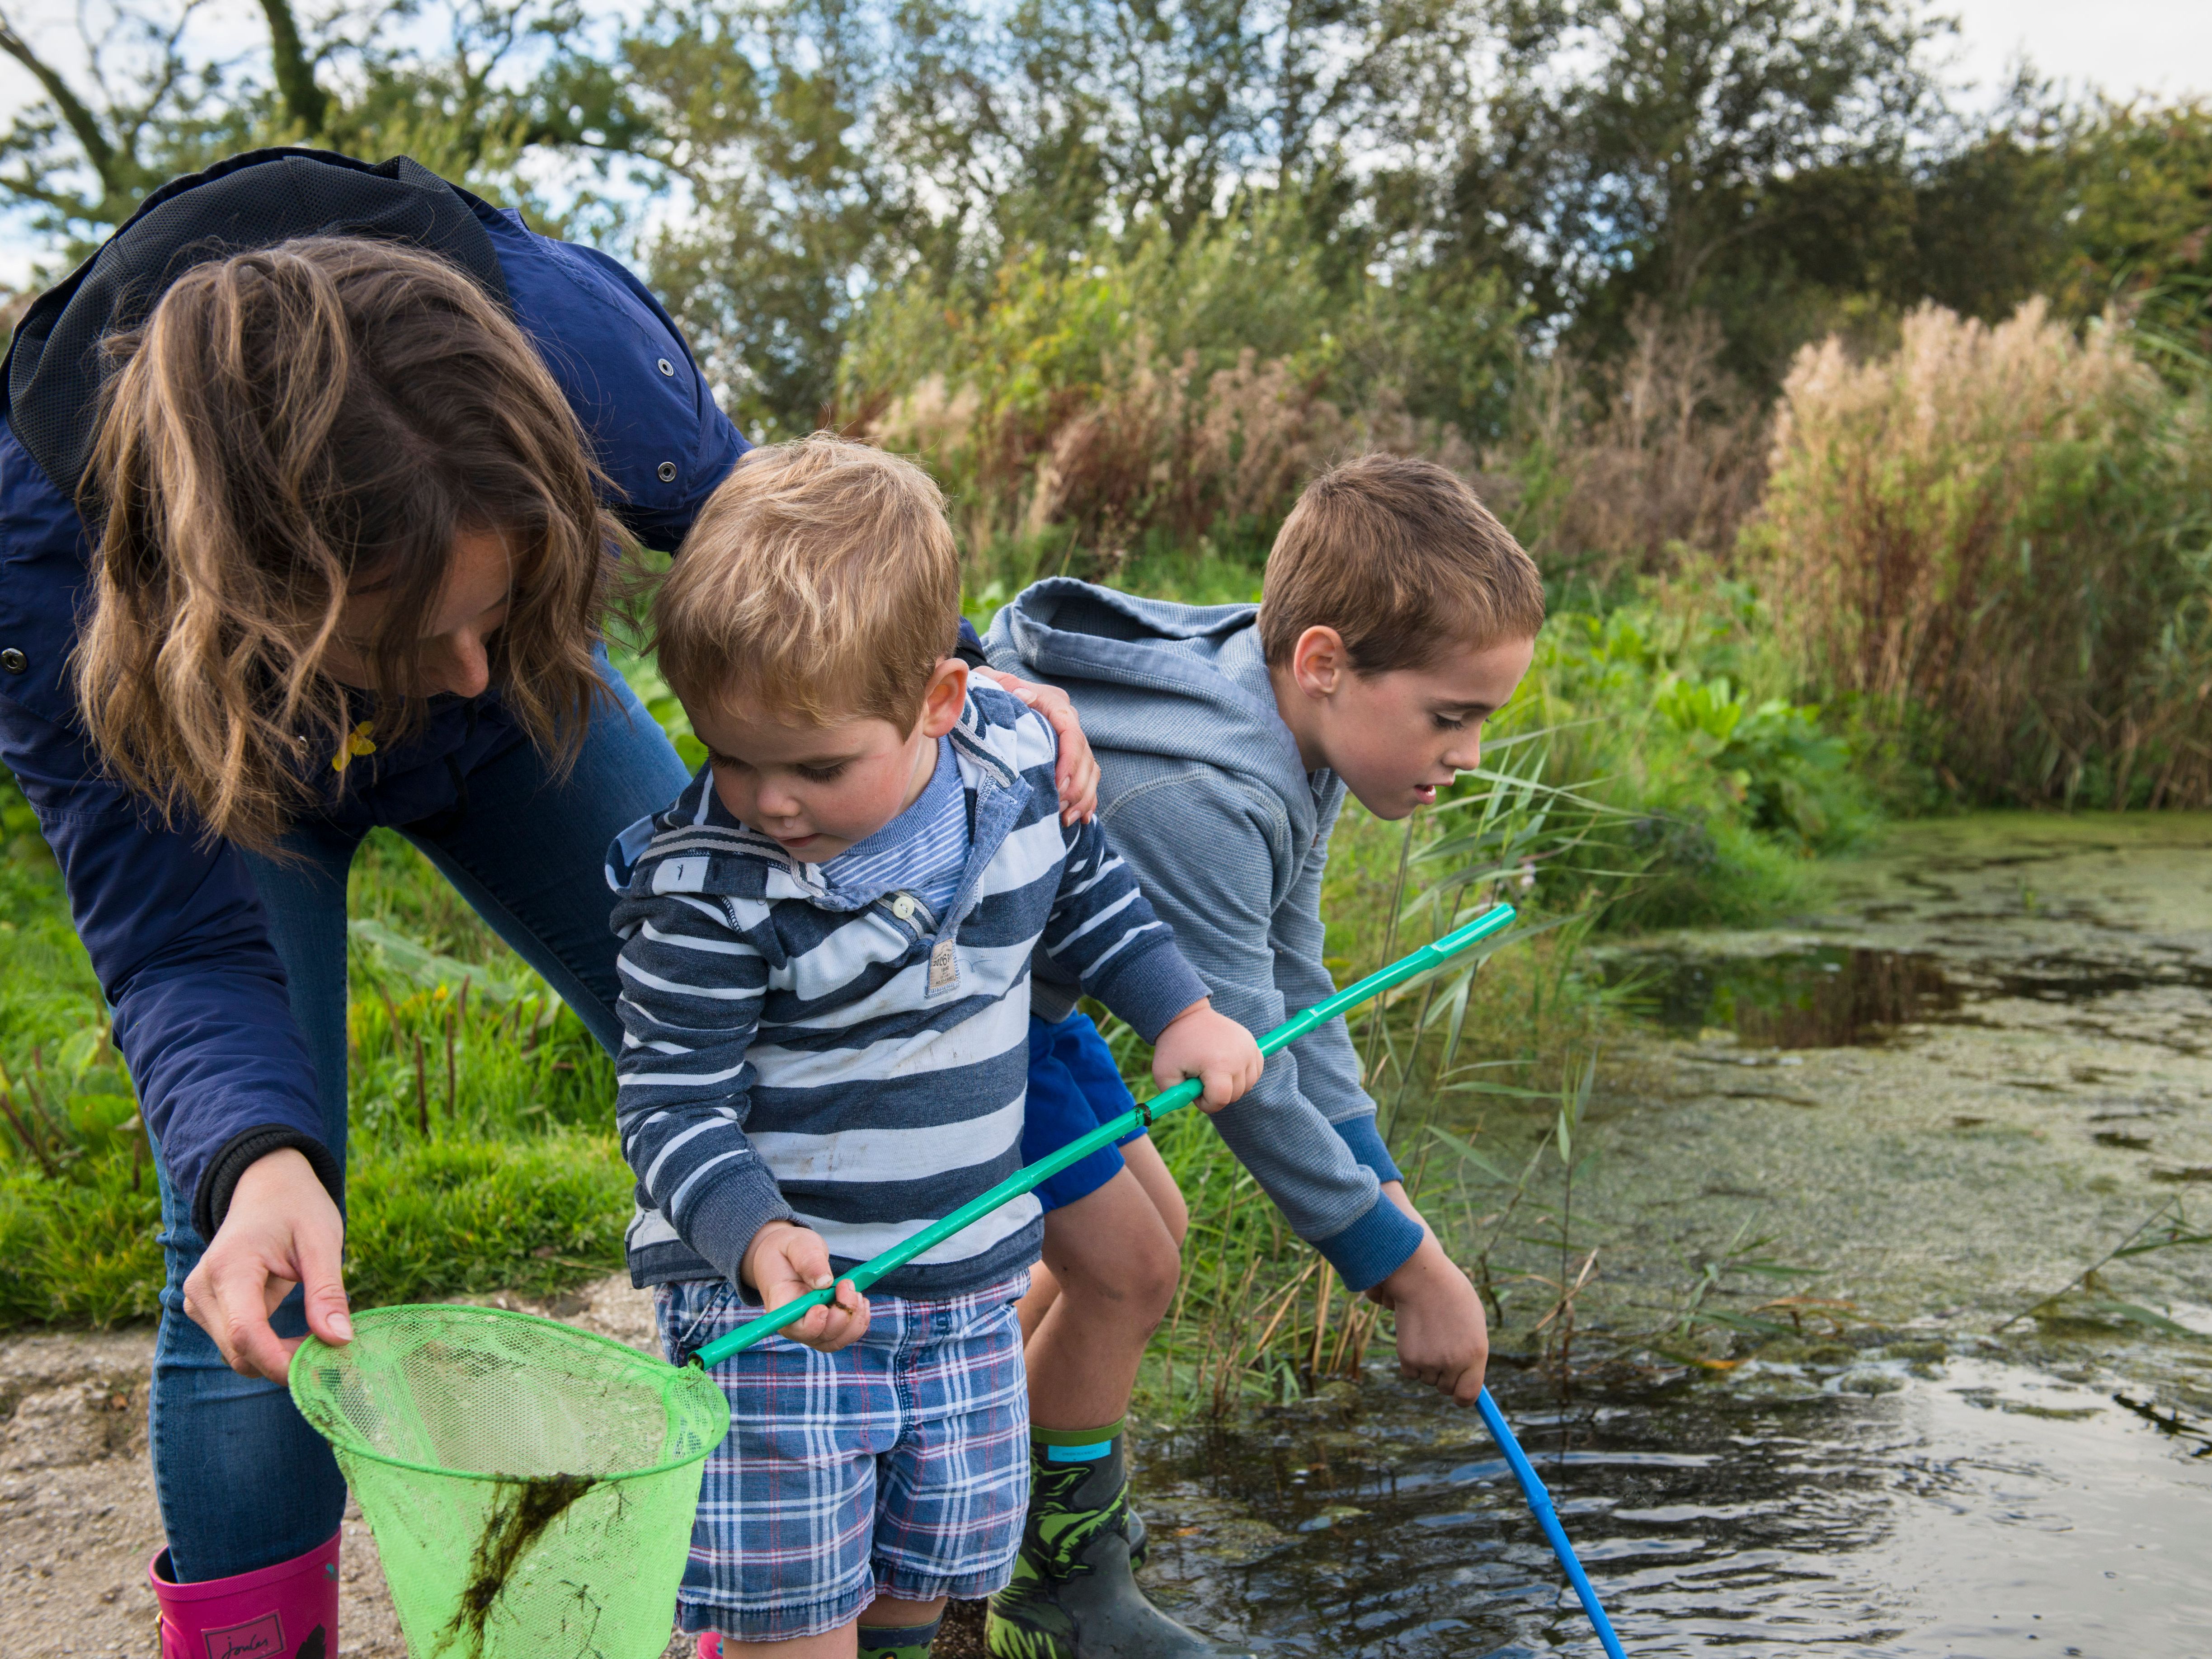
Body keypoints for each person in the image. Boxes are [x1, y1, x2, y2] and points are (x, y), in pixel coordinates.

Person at [0, 148, 1106, 1657]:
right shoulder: (59, 576)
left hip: (530, 729)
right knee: (257, 1250)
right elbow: (183, 941)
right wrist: (257, 1161)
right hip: (227, 748)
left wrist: (975, 692)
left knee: (750, 1002)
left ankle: (793, 1552)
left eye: (501, 600)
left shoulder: (575, 357)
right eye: (415, 634)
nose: (465, 671)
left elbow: (809, 573)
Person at [604, 435, 1264, 1659]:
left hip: (964, 1297)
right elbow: (668, 1105)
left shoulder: (1012, 774)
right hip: (779, 1321)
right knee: (796, 1622)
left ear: (939, 704)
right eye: (728, 755)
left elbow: (1090, 898)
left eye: (815, 765)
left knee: (919, 1583)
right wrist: (753, 1236)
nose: (770, 801)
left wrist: (1183, 1010)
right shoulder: (703, 892)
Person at [981, 453, 1544, 1657]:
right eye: (1453, 717)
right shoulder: (1206, 794)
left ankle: (994, 1488)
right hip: (956, 1025)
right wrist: (1402, 1273)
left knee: (1149, 1227)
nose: (1471, 756)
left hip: (1034, 1008)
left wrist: (1383, 1187)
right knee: (1128, 1270)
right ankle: (1055, 1592)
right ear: (1329, 663)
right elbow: (1247, 1081)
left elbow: (1295, 992)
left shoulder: (1289, 723)